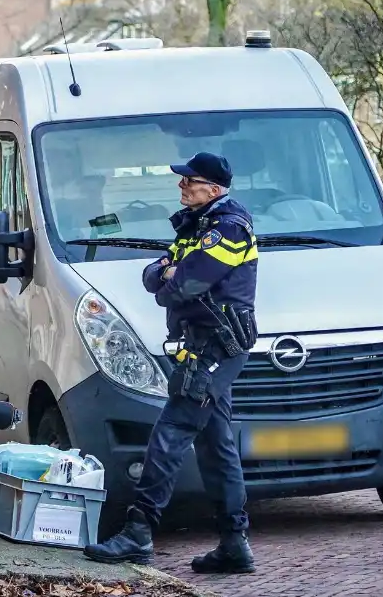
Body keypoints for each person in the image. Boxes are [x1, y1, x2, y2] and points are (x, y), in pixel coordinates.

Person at [83, 152, 259, 574]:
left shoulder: (228, 228)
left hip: (215, 347)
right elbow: (154, 275)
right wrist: (168, 274)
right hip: (204, 344)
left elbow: (183, 285)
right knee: (216, 445)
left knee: (171, 432)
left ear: (213, 189)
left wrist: (171, 276)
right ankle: (234, 543)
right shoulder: (198, 224)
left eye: (189, 181)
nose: (181, 186)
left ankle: (138, 531)